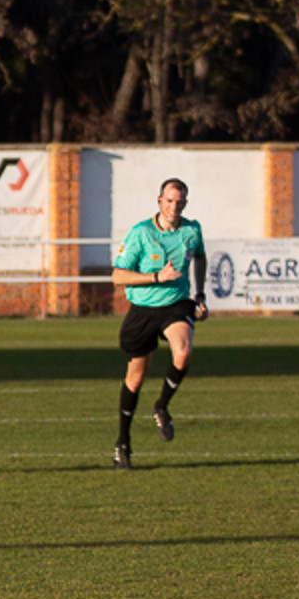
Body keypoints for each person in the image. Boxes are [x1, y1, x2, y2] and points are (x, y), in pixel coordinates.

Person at [109, 178, 207, 470]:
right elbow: (117, 276)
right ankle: (122, 443)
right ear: (159, 201)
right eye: (169, 201)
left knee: (183, 352)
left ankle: (161, 406)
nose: (173, 207)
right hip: (143, 309)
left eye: (179, 202)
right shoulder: (141, 233)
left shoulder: (192, 230)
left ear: (185, 204)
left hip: (175, 305)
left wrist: (199, 294)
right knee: (135, 379)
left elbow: (200, 257)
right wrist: (155, 277)